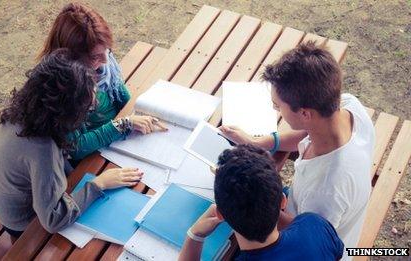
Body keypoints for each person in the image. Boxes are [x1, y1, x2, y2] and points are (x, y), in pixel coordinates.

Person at [219, 42, 375, 252]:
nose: (276, 110)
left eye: (277, 106)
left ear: (304, 113)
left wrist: (241, 204)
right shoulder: (347, 106)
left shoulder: (326, 190)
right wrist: (258, 143)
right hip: (302, 207)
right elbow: (307, 132)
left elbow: (305, 238)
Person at [0, 49, 143, 238]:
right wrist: (98, 184)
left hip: (26, 196)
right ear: (66, 111)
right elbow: (53, 219)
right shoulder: (43, 149)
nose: (89, 112)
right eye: (86, 109)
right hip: (26, 221)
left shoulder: (23, 113)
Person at [37, 2, 167, 162]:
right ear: (70, 59)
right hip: (94, 156)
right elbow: (75, 148)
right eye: (95, 57)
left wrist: (138, 114)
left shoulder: (102, 61)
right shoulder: (59, 88)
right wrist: (122, 124)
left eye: (107, 50)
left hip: (118, 141)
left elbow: (121, 98)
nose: (106, 61)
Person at [179, 145, 344, 260]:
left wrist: (195, 235)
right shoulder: (315, 225)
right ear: (283, 201)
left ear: (220, 214)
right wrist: (264, 201)